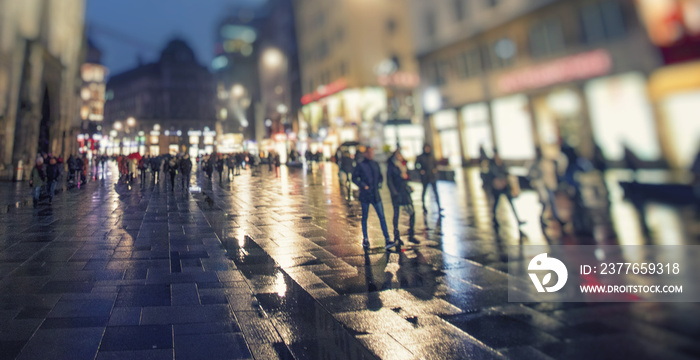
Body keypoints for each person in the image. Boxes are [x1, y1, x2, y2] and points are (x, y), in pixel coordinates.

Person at [352, 147, 395, 250]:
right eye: (370, 152)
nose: (371, 154)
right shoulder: (360, 164)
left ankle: (387, 239)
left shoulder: (375, 164)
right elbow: (354, 178)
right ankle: (366, 239)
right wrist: (363, 185)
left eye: (372, 152)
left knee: (382, 217)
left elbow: (380, 176)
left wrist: (379, 184)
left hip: (375, 194)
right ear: (365, 154)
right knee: (365, 217)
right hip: (365, 195)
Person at [387, 150, 418, 245]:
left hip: (405, 191)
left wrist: (406, 176)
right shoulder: (391, 166)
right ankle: (397, 237)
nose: (399, 157)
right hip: (397, 192)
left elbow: (409, 175)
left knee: (412, 212)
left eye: (400, 155)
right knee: (397, 214)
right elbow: (389, 181)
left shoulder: (404, 164)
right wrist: (394, 193)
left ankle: (411, 235)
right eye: (398, 155)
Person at [489, 150, 524, 230]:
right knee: (496, 203)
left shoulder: (501, 163)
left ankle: (517, 219)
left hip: (504, 186)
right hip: (497, 187)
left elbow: (506, 171)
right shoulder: (493, 165)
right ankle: (494, 218)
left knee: (511, 203)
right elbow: (494, 174)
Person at [415, 144, 442, 214]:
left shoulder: (431, 156)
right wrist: (421, 171)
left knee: (435, 192)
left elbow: (435, 164)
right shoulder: (420, 157)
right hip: (425, 177)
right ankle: (423, 206)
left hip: (432, 177)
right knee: (424, 191)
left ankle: (439, 206)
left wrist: (435, 170)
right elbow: (416, 165)